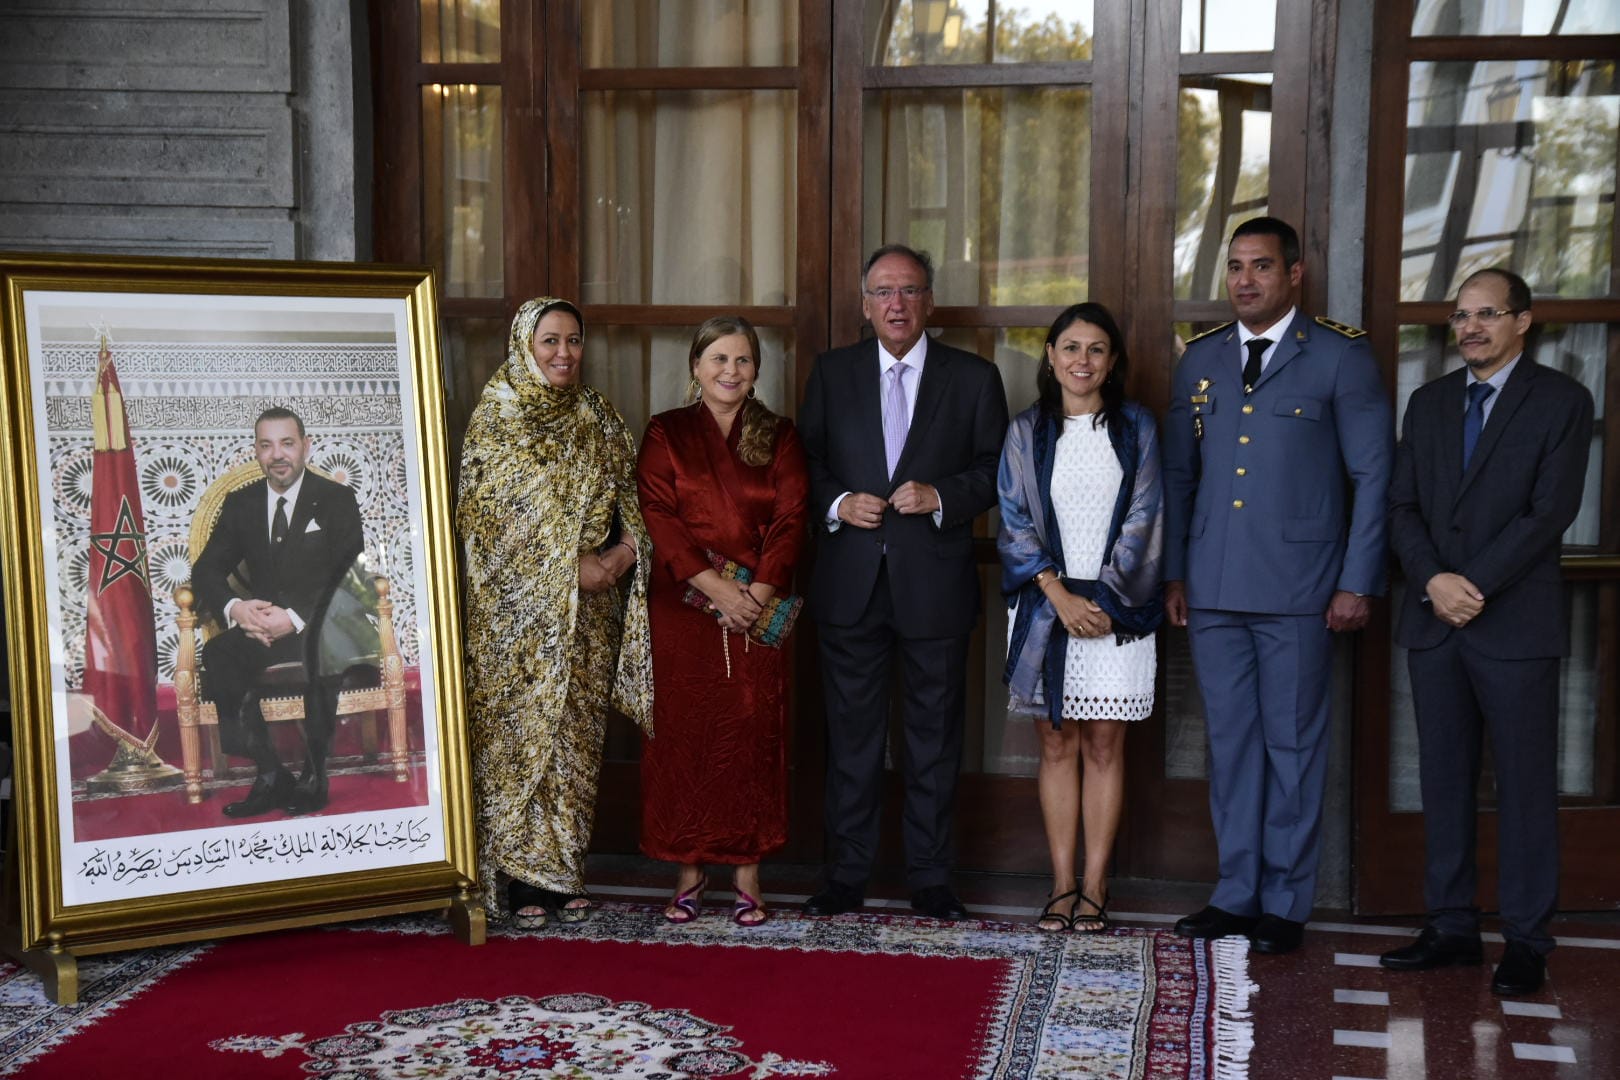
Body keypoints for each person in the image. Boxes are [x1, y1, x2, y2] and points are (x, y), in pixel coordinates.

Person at [1162, 216, 1393, 955]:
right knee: (1229, 746)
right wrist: (1174, 572)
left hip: (1301, 588)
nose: (1244, 281)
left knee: (1292, 746)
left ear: (1294, 274)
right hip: (1214, 584)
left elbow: (1371, 474)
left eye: (1260, 266)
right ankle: (1235, 895)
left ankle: (1286, 902)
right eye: (1234, 267)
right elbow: (1179, 476)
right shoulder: (1198, 360)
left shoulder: (1338, 355)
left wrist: (1357, 580)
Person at [1380, 268, 1593, 996]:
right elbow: (1401, 506)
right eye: (1461, 315)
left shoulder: (1562, 400)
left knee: (1526, 790)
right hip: (1436, 623)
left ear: (1523, 321)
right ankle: (1451, 927)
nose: (1470, 327)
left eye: (1487, 314)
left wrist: (1471, 585)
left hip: (1513, 623)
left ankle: (1528, 940)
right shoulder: (1430, 402)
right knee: (1443, 781)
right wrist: (1434, 579)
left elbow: (1550, 512)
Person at [797, 244, 1009, 920]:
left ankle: (931, 877)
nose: (896, 303)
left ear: (929, 303)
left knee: (932, 740)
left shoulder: (974, 379)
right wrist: (837, 505)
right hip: (851, 585)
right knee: (852, 740)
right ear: (865, 305)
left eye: (909, 290)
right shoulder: (831, 374)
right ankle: (845, 874)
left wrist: (942, 495)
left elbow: (993, 471)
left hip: (935, 587)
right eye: (883, 291)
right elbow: (807, 462)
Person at [457, 297, 653, 929]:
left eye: (573, 341)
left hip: (591, 612)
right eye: (550, 341)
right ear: (524, 344)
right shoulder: (499, 418)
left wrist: (620, 556)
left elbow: (630, 498)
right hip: (517, 623)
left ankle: (563, 873)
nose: (564, 354)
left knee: (574, 740)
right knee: (521, 739)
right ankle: (517, 880)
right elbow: (490, 527)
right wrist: (572, 569)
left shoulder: (597, 414)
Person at [636, 316, 810, 926]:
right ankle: (687, 869)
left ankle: (748, 871)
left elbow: (791, 518)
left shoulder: (779, 435)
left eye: (742, 361)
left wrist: (754, 595)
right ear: (695, 366)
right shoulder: (666, 432)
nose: (730, 372)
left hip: (756, 607)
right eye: (718, 360)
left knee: (752, 734)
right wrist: (715, 589)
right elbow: (657, 513)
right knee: (684, 736)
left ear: (757, 370)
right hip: (684, 605)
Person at [997, 303, 1164, 933]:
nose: (1082, 361)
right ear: (1049, 355)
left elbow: (1147, 516)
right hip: (1046, 608)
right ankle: (1060, 882)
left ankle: (1096, 884)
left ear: (1112, 360)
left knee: (1103, 742)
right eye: (1070, 347)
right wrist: (1058, 594)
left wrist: (1105, 602)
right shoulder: (1027, 431)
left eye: (1096, 349)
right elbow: (1012, 519)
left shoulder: (1136, 427)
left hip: (1115, 612)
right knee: (1055, 742)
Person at [191, 407, 364, 818]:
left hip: (320, 624)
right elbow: (206, 570)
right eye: (267, 445)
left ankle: (313, 775)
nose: (278, 454)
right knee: (219, 654)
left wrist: (297, 617)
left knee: (323, 653)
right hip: (262, 627)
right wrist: (239, 610)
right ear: (256, 452)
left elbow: (350, 575)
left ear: (305, 446)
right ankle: (269, 773)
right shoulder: (241, 504)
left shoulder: (337, 499)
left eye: (287, 443)